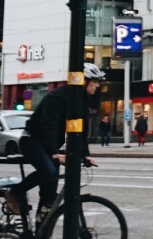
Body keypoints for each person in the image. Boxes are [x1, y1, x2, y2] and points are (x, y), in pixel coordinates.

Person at [6, 63, 105, 223]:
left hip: (51, 146)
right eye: (94, 81)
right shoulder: (57, 97)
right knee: (49, 172)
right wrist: (54, 152)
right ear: (83, 80)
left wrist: (85, 154)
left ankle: (40, 237)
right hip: (32, 141)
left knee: (49, 197)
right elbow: (48, 125)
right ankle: (15, 192)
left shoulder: (81, 101)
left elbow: (81, 130)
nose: (97, 85)